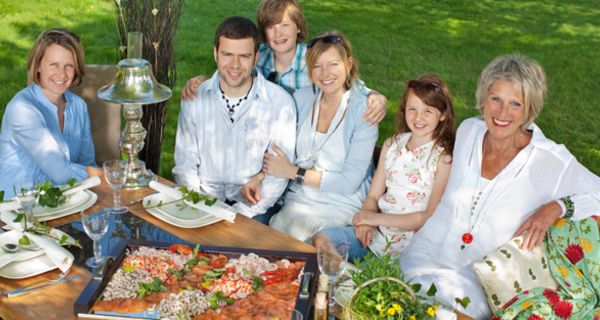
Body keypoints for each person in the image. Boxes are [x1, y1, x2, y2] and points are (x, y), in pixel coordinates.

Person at [399, 54, 600, 319]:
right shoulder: (469, 131)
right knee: (388, 299)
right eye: (496, 99)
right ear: (483, 99)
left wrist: (556, 207)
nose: (502, 112)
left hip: (476, 279)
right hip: (425, 251)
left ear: (529, 110)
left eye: (515, 103)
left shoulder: (548, 159)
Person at [313, 75, 454, 261]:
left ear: (443, 115)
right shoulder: (392, 145)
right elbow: (373, 196)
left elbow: (427, 217)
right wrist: (365, 222)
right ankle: (340, 277)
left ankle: (353, 279)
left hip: (410, 249)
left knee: (375, 276)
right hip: (376, 237)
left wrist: (375, 219)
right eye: (412, 109)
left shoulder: (442, 159)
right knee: (323, 239)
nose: (418, 117)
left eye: (428, 111)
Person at [181, 0, 387, 125]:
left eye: (285, 25)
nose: (278, 34)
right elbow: (232, 72)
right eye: (271, 27)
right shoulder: (258, 57)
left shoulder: (313, 59)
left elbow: (349, 84)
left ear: (298, 27)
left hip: (303, 139)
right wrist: (202, 81)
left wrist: (377, 97)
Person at [172, 16, 296, 218]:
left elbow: (277, 176)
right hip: (202, 200)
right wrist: (200, 206)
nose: (235, 65)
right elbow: (185, 164)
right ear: (216, 54)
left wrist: (241, 213)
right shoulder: (194, 98)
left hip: (254, 206)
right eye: (227, 54)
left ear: (256, 57)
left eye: (244, 56)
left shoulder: (280, 104)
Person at [260, 31, 378, 242]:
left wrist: (292, 171)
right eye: (317, 66)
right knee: (273, 243)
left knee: (305, 249)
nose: (325, 73)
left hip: (341, 207)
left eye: (333, 64)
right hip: (299, 202)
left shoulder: (363, 112)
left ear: (348, 64)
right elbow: (278, 150)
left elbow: (348, 183)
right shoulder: (301, 99)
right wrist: (260, 177)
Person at [0, 28, 101, 198]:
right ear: (38, 65)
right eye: (53, 64)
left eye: (69, 66)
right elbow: (61, 172)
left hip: (66, 202)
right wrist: (110, 174)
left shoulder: (78, 107)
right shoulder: (22, 110)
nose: (62, 74)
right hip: (17, 212)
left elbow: (86, 163)